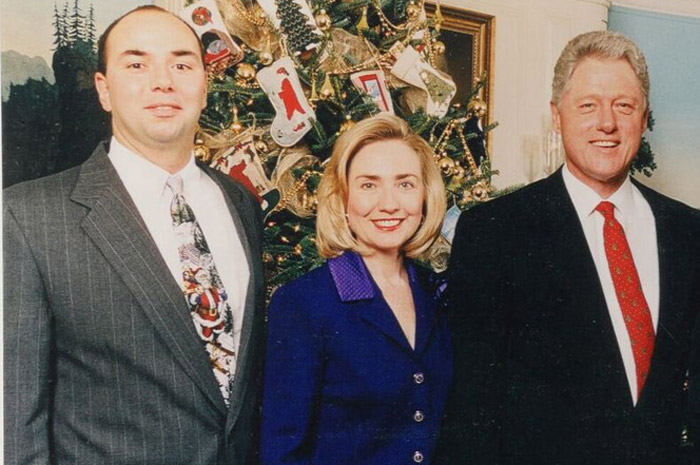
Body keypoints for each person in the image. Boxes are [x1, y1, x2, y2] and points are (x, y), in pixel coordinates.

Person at [3, 6, 265, 464]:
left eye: (182, 64)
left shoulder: (239, 201)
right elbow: (14, 421)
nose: (162, 81)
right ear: (104, 89)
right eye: (137, 64)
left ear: (205, 86)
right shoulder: (29, 217)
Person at [438, 30, 700, 465]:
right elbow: (472, 411)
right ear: (556, 116)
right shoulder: (494, 231)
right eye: (588, 105)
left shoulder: (688, 232)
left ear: (644, 117)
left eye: (624, 105)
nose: (607, 123)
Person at [261, 114, 452, 465]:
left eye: (405, 184)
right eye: (369, 185)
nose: (390, 203)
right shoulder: (304, 303)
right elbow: (283, 449)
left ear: (426, 195)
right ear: (343, 197)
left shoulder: (436, 292)